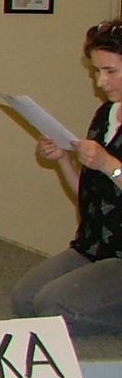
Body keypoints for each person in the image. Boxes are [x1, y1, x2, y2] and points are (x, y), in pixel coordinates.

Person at [12, 19, 122, 335]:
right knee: (25, 300)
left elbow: (109, 170)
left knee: (53, 306)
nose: (101, 82)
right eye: (97, 71)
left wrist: (109, 165)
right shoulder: (105, 115)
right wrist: (62, 159)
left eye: (110, 71)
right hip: (95, 246)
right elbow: (89, 196)